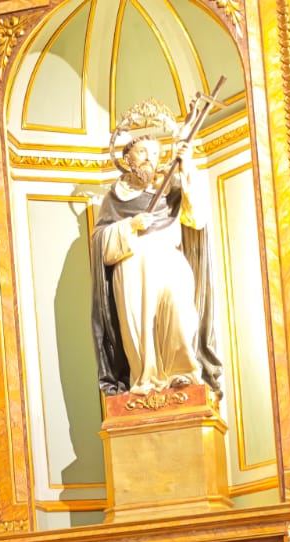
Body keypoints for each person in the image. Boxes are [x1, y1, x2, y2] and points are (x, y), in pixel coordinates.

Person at [90, 114, 221, 397]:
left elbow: (198, 218)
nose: (149, 158)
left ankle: (182, 373)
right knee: (140, 327)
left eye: (154, 152)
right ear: (128, 159)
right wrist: (130, 225)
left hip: (169, 262)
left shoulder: (171, 191)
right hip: (133, 269)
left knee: (179, 312)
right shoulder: (115, 198)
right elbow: (101, 245)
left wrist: (187, 167)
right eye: (142, 152)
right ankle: (146, 378)